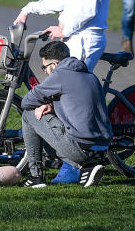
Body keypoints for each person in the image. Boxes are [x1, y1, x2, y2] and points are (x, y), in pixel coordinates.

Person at [19, 40, 112, 188]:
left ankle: (36, 176)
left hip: (81, 148)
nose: (45, 72)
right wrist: (52, 107)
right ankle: (87, 169)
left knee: (29, 115)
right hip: (102, 149)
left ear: (54, 65)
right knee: (51, 137)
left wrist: (45, 103)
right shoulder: (89, 74)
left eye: (45, 68)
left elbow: (26, 102)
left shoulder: (59, 75)